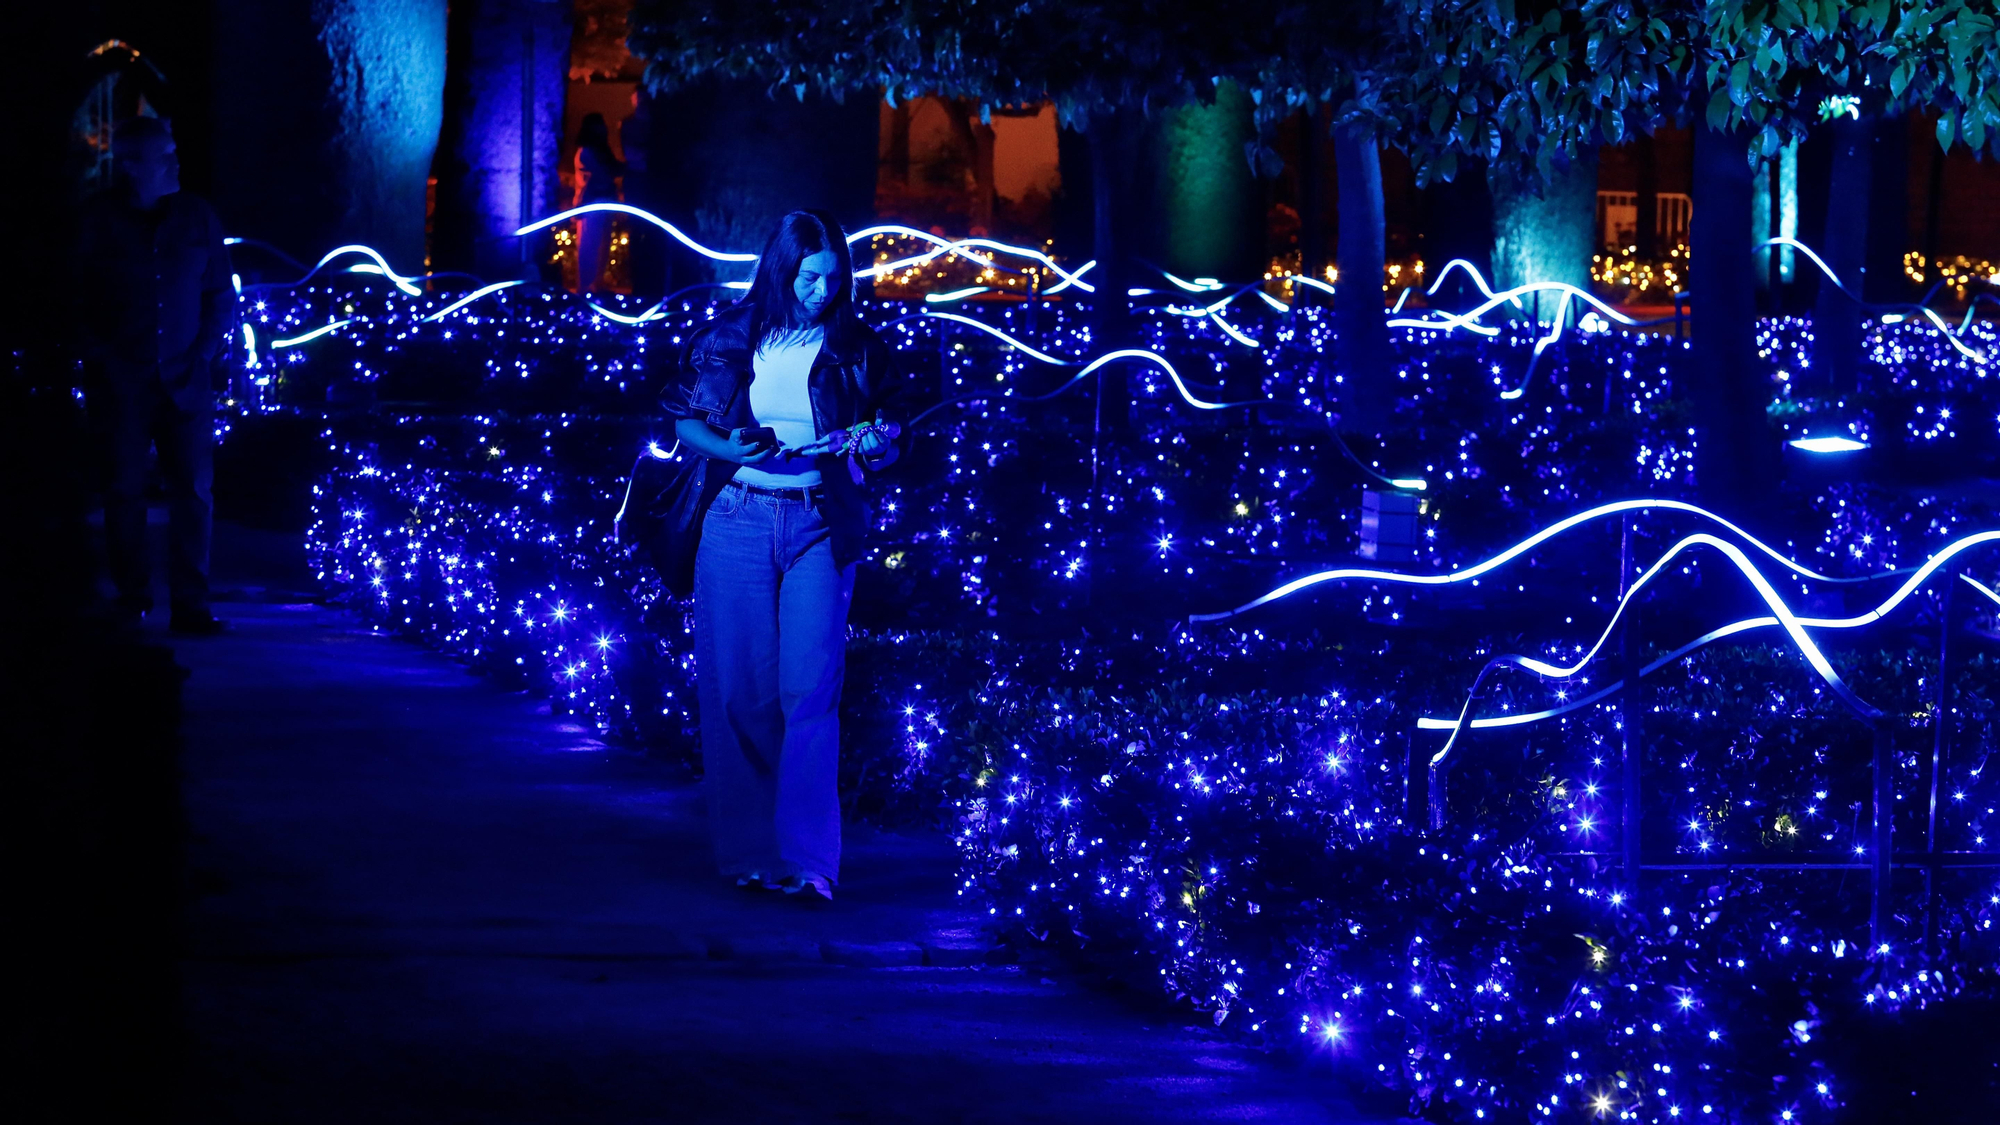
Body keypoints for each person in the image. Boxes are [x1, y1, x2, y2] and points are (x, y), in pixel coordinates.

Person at [660, 211, 914, 901]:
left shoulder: (857, 344)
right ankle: (749, 852)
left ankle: (807, 862)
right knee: (741, 688)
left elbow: (895, 431)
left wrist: (874, 441)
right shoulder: (734, 335)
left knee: (811, 687)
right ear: (780, 267)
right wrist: (730, 447)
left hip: (820, 520)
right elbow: (683, 419)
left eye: (833, 277)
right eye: (808, 275)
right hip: (739, 514)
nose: (821, 289)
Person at [74, 116, 234, 635]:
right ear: (132, 167)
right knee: (123, 491)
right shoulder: (97, 220)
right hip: (121, 384)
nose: (177, 163)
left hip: (186, 380)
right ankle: (132, 596)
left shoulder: (197, 216)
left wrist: (203, 353)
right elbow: (72, 300)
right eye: (164, 156)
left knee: (194, 492)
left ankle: (190, 604)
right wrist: (103, 357)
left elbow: (219, 293)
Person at [571, 112, 626, 294]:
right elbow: (605, 172)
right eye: (600, 125)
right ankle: (586, 288)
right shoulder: (588, 151)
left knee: (600, 244)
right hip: (591, 205)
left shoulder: (597, 150)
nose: (604, 128)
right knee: (590, 245)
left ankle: (595, 285)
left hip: (601, 203)